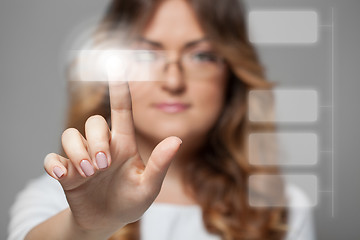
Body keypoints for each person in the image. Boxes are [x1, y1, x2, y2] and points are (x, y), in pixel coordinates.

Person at [8, 0, 315, 239]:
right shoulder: (60, 195)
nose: (173, 80)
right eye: (145, 54)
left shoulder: (280, 207)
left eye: (201, 56)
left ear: (232, 75)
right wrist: (88, 228)